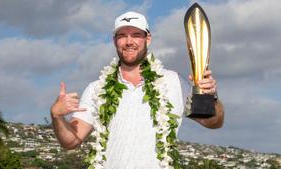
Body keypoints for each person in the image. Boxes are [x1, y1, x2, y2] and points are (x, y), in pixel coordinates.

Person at [51, 11, 224, 169]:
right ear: (114, 41)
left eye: (136, 35)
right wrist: (57, 116)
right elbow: (71, 141)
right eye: (122, 36)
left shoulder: (173, 82)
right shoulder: (96, 89)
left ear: (147, 39)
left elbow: (213, 122)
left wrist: (210, 97)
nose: (128, 41)